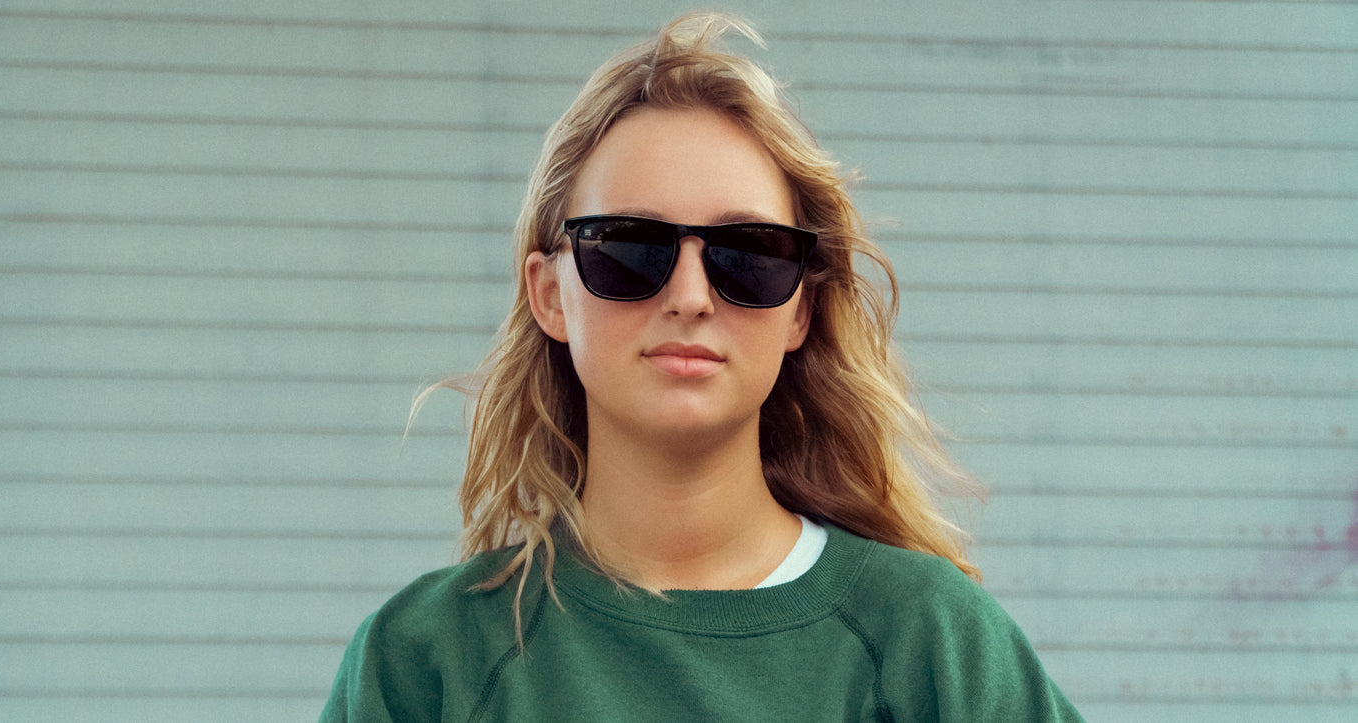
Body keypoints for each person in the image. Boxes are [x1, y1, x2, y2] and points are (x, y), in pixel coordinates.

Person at [321, 12, 1084, 722]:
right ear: (549, 294)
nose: (688, 296)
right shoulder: (424, 663)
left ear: (799, 310)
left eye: (746, 255)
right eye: (628, 247)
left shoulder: (935, 647)